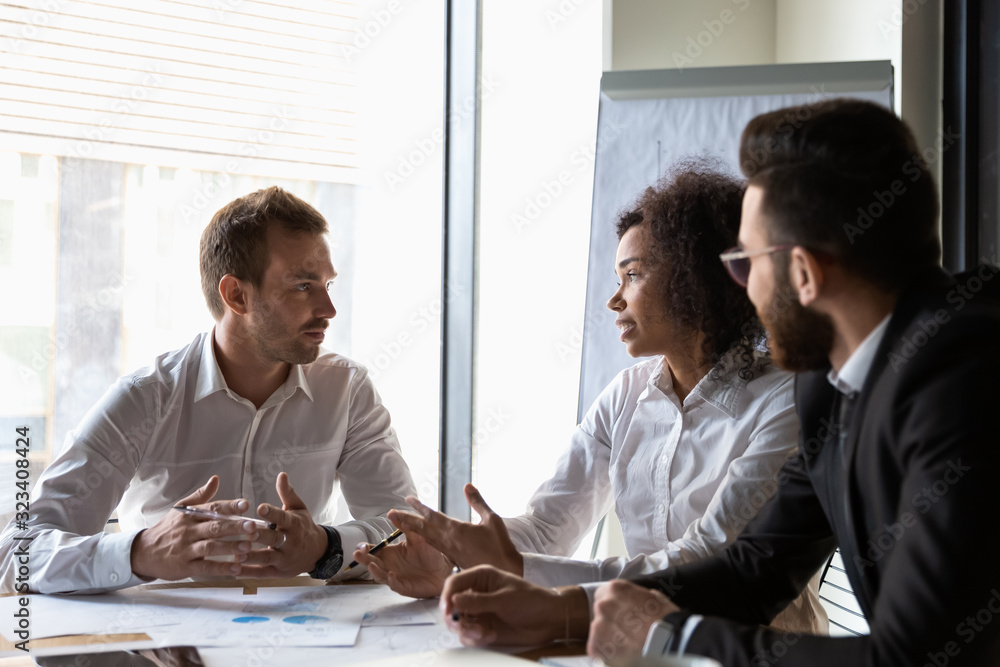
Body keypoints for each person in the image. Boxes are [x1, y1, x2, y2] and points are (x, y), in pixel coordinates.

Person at [437, 99, 1000, 666]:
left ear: (803, 272)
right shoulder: (826, 384)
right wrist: (560, 611)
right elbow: (756, 569)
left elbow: (919, 657)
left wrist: (672, 638)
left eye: (744, 264)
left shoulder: (966, 377)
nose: (741, 289)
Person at [352, 165, 826, 634]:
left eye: (633, 275)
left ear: (696, 280)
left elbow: (706, 560)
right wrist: (450, 553)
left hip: (760, 650)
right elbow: (547, 528)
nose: (614, 301)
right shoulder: (627, 394)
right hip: (643, 643)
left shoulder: (785, 400)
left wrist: (515, 567)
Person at [0, 186, 418, 595]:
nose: (329, 310)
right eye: (303, 286)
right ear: (237, 294)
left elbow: (410, 531)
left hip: (306, 642)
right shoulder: (145, 397)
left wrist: (327, 547)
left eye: (328, 285)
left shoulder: (348, 389)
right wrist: (141, 552)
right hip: (164, 653)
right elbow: (15, 555)